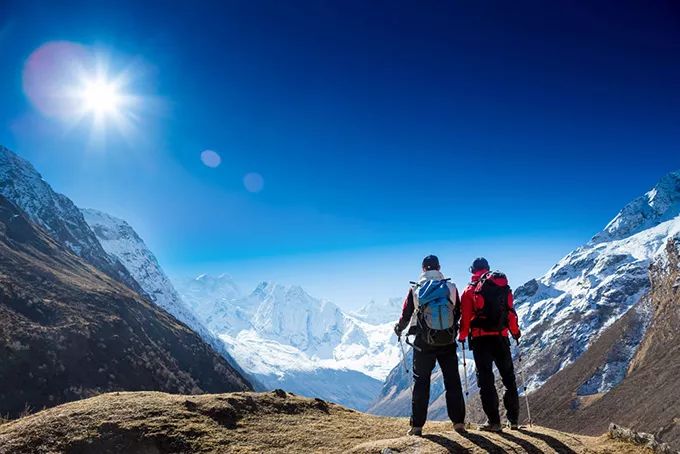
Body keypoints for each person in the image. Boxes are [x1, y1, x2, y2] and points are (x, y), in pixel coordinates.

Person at [394, 255, 466, 436]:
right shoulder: (451, 287)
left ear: (423, 269)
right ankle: (458, 423)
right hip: (448, 341)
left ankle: (417, 426)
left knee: (421, 382)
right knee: (452, 380)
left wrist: (399, 328)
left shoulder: (415, 289)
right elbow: (458, 312)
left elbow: (406, 313)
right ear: (439, 267)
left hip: (423, 342)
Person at [458, 257, 521, 432]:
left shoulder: (469, 290)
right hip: (501, 338)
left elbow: (466, 318)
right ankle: (513, 420)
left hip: (480, 341)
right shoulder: (503, 287)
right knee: (509, 379)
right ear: (487, 269)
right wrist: (515, 332)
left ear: (473, 271)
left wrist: (462, 336)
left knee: (486, 381)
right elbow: (510, 313)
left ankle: (494, 422)